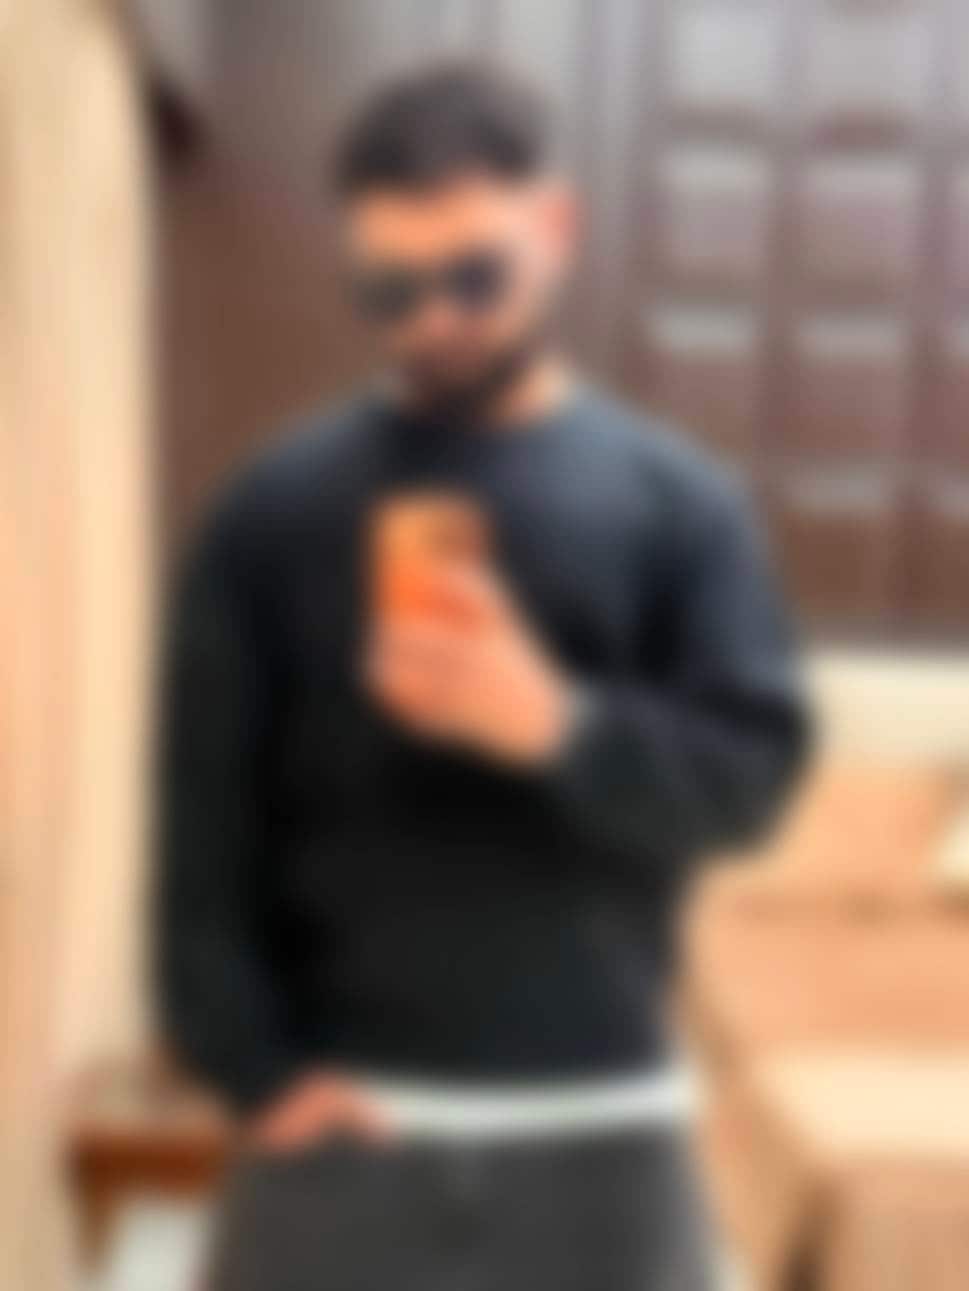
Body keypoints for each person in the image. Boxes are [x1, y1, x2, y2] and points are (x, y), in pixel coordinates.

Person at [156, 59, 810, 1291]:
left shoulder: (682, 507)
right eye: (388, 287)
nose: (433, 319)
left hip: (605, 1132)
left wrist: (555, 724)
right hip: (334, 1131)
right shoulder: (268, 514)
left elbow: (751, 785)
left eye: (473, 276)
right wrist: (252, 1073)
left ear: (553, 228)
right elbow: (200, 836)